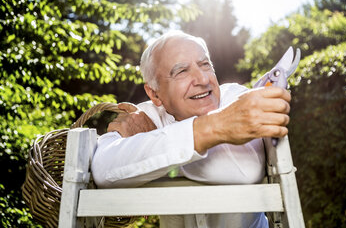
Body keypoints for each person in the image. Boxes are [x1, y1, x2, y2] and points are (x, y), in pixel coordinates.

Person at [91, 30, 291, 228]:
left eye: (205, 65)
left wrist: (154, 144)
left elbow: (245, 170)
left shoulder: (236, 97)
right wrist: (217, 127)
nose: (203, 80)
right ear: (155, 94)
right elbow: (102, 169)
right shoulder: (146, 116)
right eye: (181, 71)